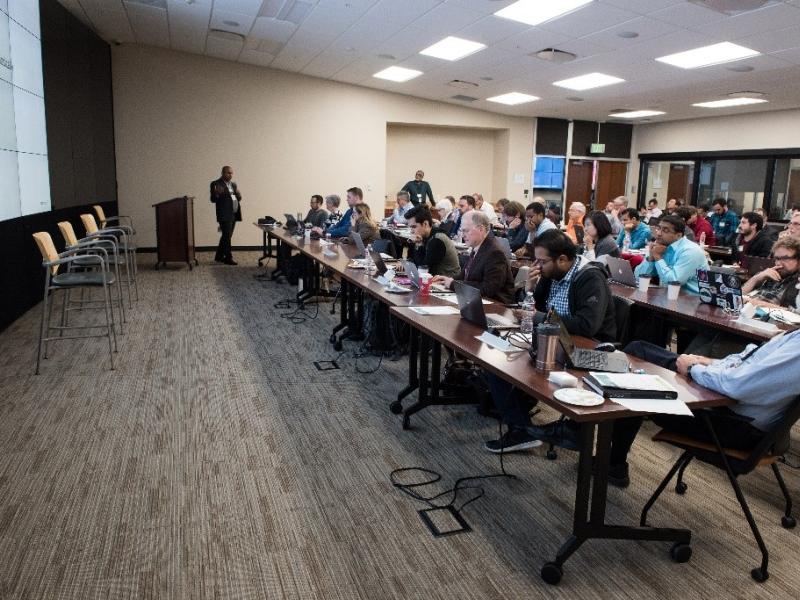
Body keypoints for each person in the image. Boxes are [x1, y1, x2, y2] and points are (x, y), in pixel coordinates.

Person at [529, 330, 800, 487]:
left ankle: (588, 439)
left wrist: (693, 368)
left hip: (731, 422)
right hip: (726, 402)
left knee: (635, 377)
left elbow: (741, 386)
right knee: (638, 350)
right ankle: (602, 451)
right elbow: (746, 365)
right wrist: (707, 362)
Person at [484, 229, 617, 453]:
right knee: (496, 361)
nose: (538, 266)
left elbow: (587, 326)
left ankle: (520, 427)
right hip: (551, 341)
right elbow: (532, 309)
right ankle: (521, 427)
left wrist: (539, 317)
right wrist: (529, 289)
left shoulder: (590, 278)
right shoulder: (550, 274)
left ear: (562, 259)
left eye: (542, 261)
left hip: (588, 350)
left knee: (507, 364)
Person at [431, 211, 515, 304]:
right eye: (462, 231)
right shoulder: (478, 246)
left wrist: (453, 284)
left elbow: (488, 288)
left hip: (495, 306)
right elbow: (465, 277)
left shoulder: (494, 253)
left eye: (466, 231)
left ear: (481, 229)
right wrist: (448, 279)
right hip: (476, 301)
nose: (463, 235)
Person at [634, 214, 708, 295]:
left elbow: (674, 281)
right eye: (658, 228)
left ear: (678, 235)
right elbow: (638, 277)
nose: (658, 233)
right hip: (667, 296)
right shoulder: (660, 246)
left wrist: (658, 257)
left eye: (665, 230)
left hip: (692, 301)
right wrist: (651, 258)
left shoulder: (690, 251)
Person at [742, 236, 800, 312]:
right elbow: (738, 295)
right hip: (747, 313)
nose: (778, 263)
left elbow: (794, 314)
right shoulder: (769, 273)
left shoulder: (798, 282)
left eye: (785, 258)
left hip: (772, 321)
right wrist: (755, 279)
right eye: (777, 258)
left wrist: (754, 303)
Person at [405, 206, 461, 278]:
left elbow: (423, 268)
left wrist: (418, 245)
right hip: (434, 280)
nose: (411, 231)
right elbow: (411, 261)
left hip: (446, 283)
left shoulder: (437, 240)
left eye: (414, 227)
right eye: (410, 227)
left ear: (425, 224)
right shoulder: (423, 237)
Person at [210, 165, 242, 265]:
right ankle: (228, 258)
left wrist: (239, 194)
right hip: (224, 214)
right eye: (228, 173)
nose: (231, 175)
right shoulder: (215, 183)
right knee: (227, 236)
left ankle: (219, 256)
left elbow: (238, 199)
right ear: (223, 173)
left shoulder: (233, 185)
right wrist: (217, 194)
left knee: (227, 235)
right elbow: (213, 199)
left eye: (232, 173)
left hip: (234, 213)